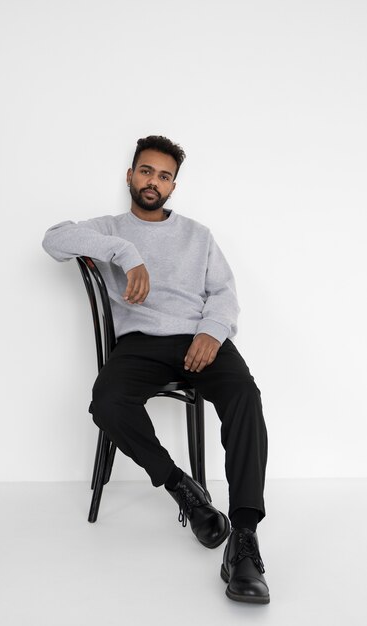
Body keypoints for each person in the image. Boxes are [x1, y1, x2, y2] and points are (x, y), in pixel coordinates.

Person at [42, 135, 270, 604]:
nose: (154, 182)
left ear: (173, 186)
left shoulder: (198, 235)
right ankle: (182, 489)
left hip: (201, 339)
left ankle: (244, 540)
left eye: (164, 176)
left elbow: (224, 293)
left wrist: (212, 330)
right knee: (106, 402)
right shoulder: (107, 228)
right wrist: (127, 253)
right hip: (141, 345)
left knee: (245, 395)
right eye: (146, 171)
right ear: (130, 175)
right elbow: (53, 239)